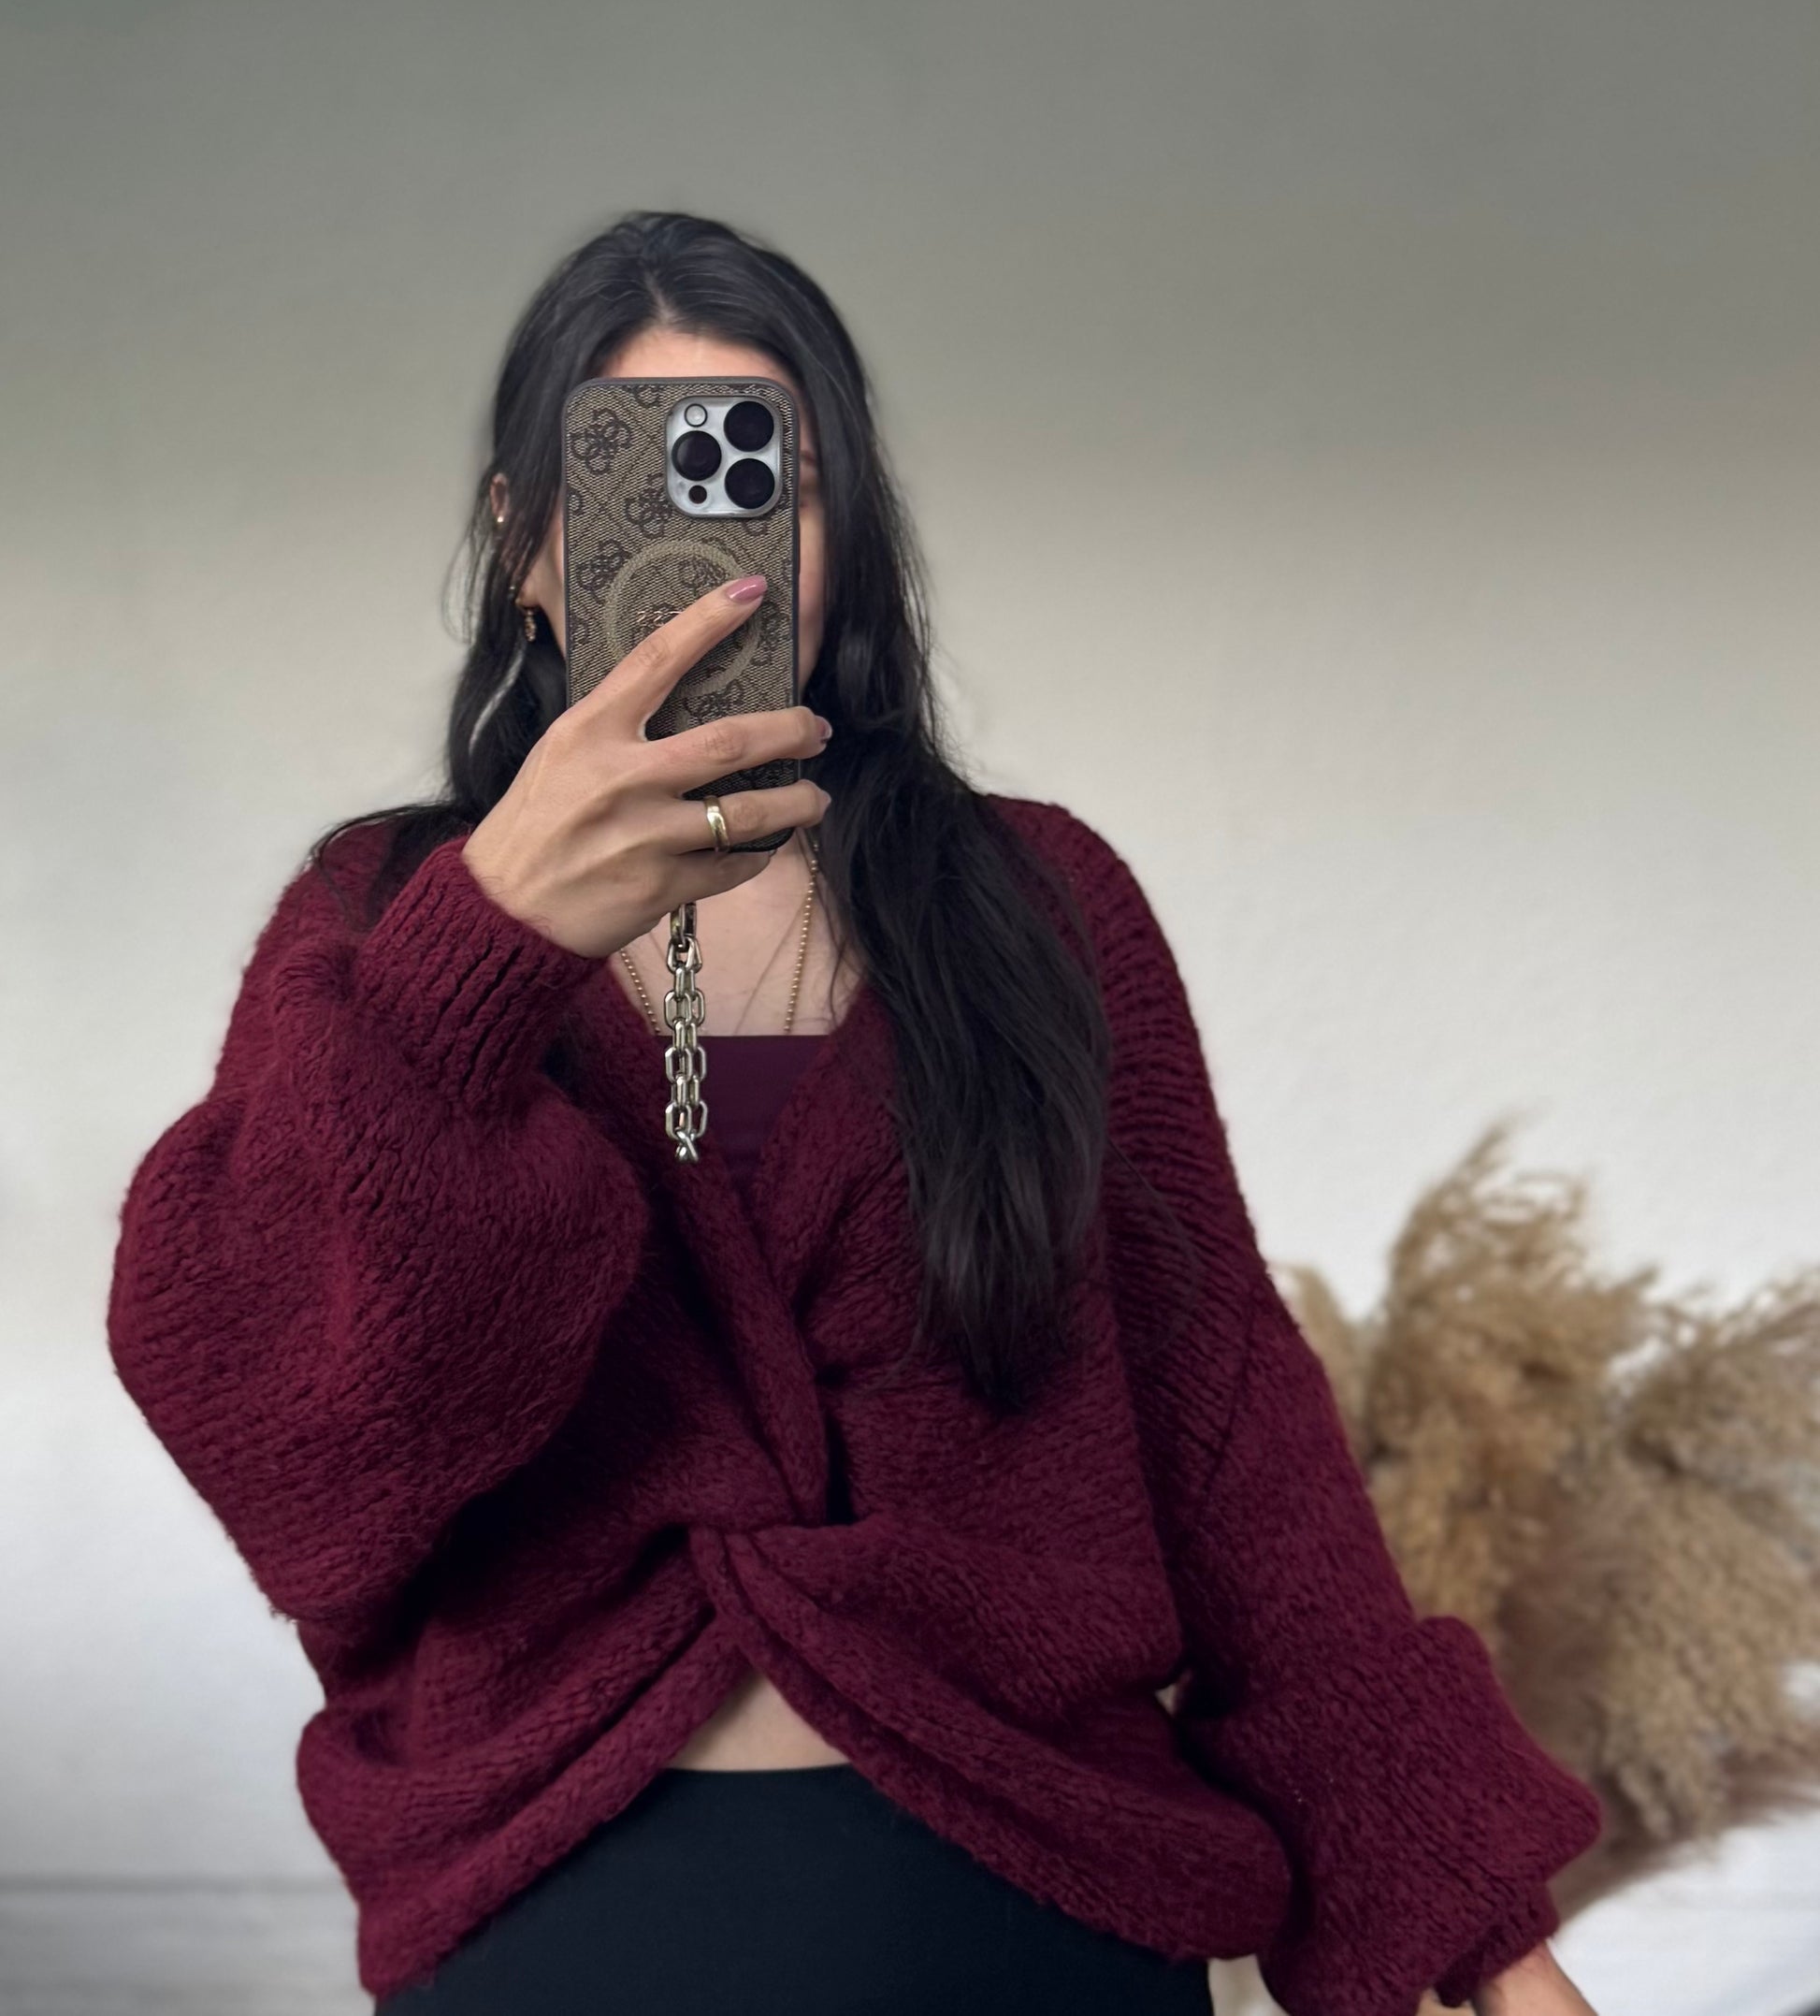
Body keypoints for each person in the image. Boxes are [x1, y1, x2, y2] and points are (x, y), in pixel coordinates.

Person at [107, 210, 1605, 2016]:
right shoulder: (375, 921)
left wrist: (1479, 1932)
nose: (707, 549)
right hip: (552, 1911)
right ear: (524, 541)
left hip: (1033, 1898)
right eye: (633, 478)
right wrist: (485, 954)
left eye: (770, 482)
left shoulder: (1033, 903)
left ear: (844, 540)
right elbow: (286, 1438)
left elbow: (1232, 1439)